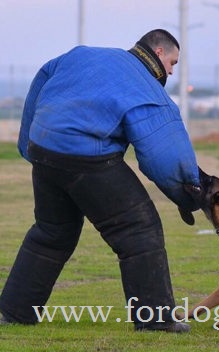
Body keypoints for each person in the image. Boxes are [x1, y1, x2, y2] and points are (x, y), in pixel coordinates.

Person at [0, 29, 201, 332]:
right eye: (173, 63)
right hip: (87, 158)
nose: (172, 71)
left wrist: (28, 144)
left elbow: (41, 82)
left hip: (45, 151)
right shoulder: (145, 86)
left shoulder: (83, 55)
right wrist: (188, 195)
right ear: (158, 53)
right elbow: (164, 152)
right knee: (139, 230)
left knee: (52, 233)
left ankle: (15, 312)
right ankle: (156, 320)